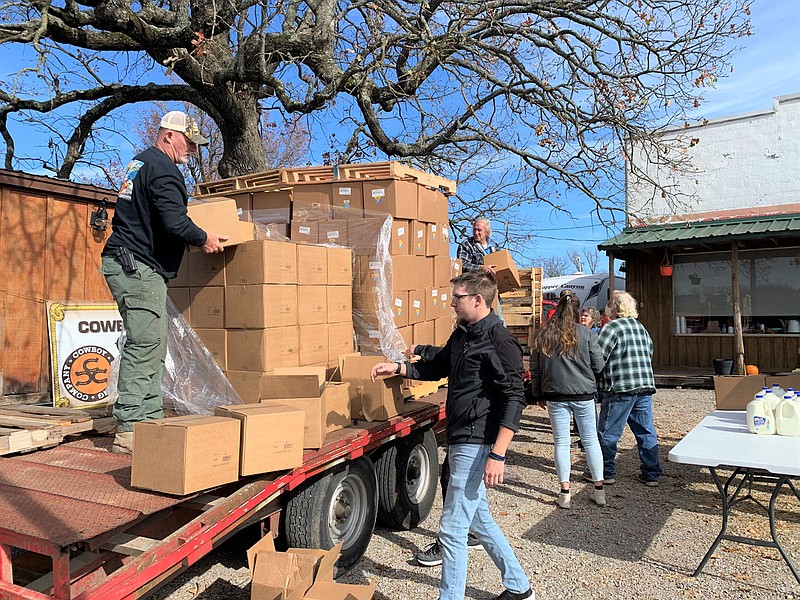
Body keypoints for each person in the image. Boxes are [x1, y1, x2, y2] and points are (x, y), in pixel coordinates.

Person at [371, 270, 533, 600]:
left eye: (457, 297)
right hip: (461, 438)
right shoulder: (463, 334)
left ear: (478, 299)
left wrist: (498, 454)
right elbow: (439, 365)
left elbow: (516, 398)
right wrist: (401, 368)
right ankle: (518, 587)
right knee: (480, 519)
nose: (452, 303)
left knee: (453, 530)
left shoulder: (500, 341)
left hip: (478, 441)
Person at [101, 110, 227, 454]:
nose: (193, 150)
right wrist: (204, 238)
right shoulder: (163, 169)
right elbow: (174, 220)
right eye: (189, 142)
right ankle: (129, 429)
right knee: (145, 343)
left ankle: (150, 420)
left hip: (132, 264)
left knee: (153, 342)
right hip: (137, 266)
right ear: (168, 135)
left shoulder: (140, 163)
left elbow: (154, 217)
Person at [530, 293, 606, 509]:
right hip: (583, 393)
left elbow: (535, 369)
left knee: (561, 443)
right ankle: (599, 490)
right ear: (577, 310)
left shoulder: (543, 334)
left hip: (555, 394)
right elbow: (598, 365)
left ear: (557, 310)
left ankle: (565, 493)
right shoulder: (587, 333)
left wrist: (537, 394)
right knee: (591, 440)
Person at [593, 291, 663, 486]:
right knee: (645, 431)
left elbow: (599, 358)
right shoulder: (641, 328)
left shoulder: (612, 328)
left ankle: (606, 472)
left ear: (615, 307)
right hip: (644, 385)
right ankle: (652, 473)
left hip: (621, 387)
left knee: (608, 432)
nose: (606, 307)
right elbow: (650, 352)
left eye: (609, 303)